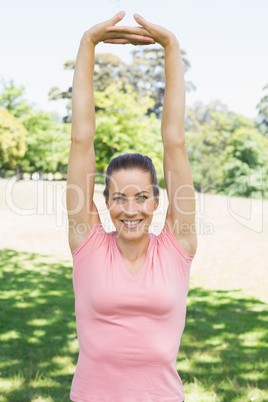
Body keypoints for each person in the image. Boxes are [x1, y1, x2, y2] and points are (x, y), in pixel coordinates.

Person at [67, 11, 197, 402]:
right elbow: (80, 141)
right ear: (104, 202)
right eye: (119, 197)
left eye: (142, 197)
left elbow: (174, 141)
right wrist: (88, 44)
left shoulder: (178, 245)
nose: (131, 209)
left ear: (157, 202)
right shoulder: (86, 243)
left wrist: (170, 47)